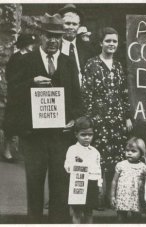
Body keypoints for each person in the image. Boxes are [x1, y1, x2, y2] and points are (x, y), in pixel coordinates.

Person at [8, 13, 82, 223]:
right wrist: (32, 82)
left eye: (57, 37)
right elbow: (12, 93)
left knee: (60, 185)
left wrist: (74, 121)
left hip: (61, 136)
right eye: (48, 36)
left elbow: (77, 99)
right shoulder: (26, 60)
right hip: (34, 137)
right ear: (40, 36)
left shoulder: (67, 63)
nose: (52, 41)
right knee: (35, 184)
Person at [82, 27, 133, 209]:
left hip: (117, 120)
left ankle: (111, 197)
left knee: (115, 160)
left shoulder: (119, 66)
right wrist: (89, 120)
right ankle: (97, 199)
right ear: (100, 43)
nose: (111, 44)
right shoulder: (92, 64)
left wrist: (127, 117)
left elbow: (124, 93)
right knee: (98, 160)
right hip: (99, 119)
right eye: (108, 41)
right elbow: (86, 93)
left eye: (114, 41)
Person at [2, 33, 36, 162]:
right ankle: (6, 150)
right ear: (24, 45)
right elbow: (11, 77)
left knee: (25, 123)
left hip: (28, 94)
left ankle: (22, 150)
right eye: (30, 44)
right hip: (16, 95)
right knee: (11, 123)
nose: (32, 46)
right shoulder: (16, 58)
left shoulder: (32, 57)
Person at [64, 116, 103, 224]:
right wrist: (79, 167)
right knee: (77, 212)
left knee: (89, 212)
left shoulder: (95, 152)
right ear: (76, 134)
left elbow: (98, 169)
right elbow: (67, 166)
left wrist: (99, 185)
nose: (87, 137)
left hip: (91, 184)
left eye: (90, 135)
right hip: (78, 184)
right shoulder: (72, 150)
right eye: (83, 134)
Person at [111, 137, 146, 222]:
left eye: (133, 151)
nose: (129, 153)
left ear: (141, 153)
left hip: (137, 198)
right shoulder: (121, 165)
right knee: (121, 217)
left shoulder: (144, 168)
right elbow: (114, 181)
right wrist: (112, 196)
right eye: (127, 150)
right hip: (122, 197)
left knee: (136, 218)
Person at [58, 4, 94, 87]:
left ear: (79, 26)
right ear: (61, 25)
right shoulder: (55, 47)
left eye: (74, 24)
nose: (71, 27)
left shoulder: (87, 48)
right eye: (67, 23)